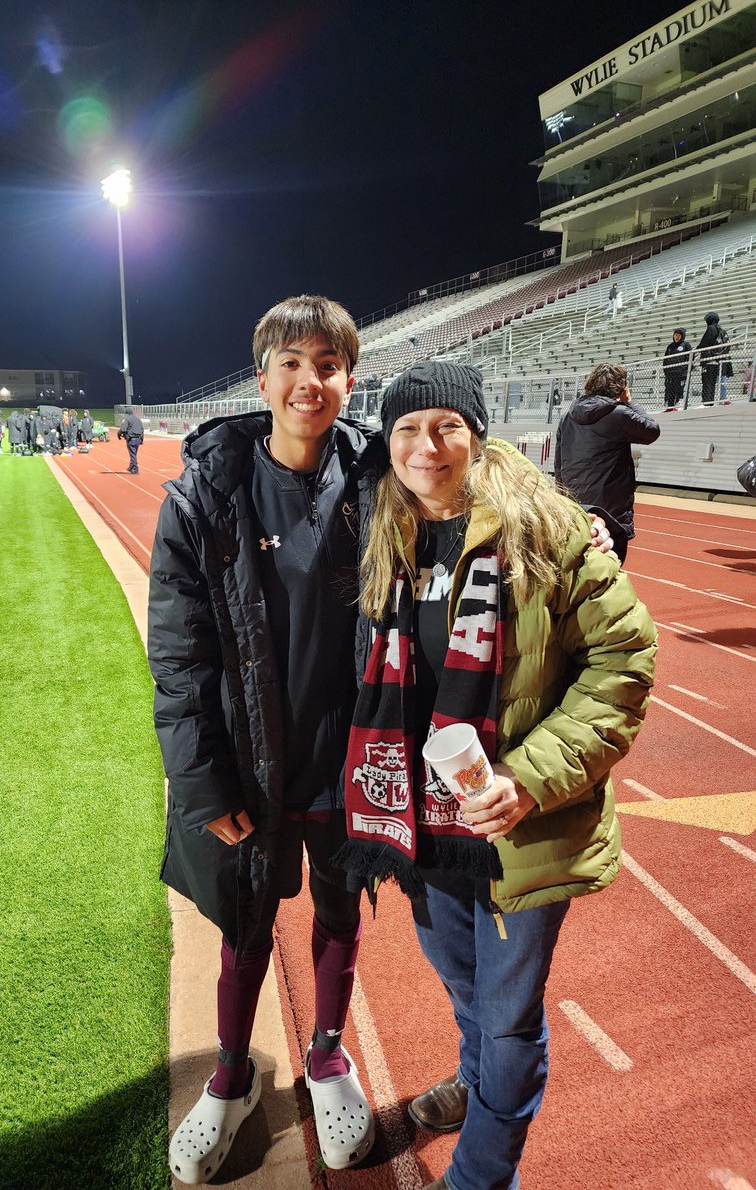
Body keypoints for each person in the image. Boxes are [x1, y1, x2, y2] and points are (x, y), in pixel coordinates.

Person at [335, 361, 657, 1190]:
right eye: (406, 428)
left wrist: (530, 778)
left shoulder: (546, 528)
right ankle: (478, 1088)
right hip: (426, 825)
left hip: (521, 825)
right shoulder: (387, 532)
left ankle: (482, 1173)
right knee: (465, 988)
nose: (426, 445)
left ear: (477, 435)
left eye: (446, 425)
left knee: (508, 1018)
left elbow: (623, 659)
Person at [149, 296, 385, 1184]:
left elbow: (473, 494)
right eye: (291, 362)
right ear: (263, 377)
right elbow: (177, 660)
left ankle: (326, 1054)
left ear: (348, 380)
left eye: (327, 364)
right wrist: (203, 787)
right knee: (246, 926)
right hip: (250, 764)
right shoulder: (205, 495)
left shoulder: (377, 480)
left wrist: (575, 525)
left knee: (337, 910)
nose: (308, 380)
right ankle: (232, 1074)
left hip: (349, 758)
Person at [554, 362, 659, 543]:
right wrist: (630, 402)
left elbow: (559, 460)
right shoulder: (618, 414)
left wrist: (561, 496)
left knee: (580, 557)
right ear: (620, 388)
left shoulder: (567, 416)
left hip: (575, 500)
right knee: (609, 561)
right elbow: (651, 431)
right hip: (610, 506)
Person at [696, 311, 729, 405]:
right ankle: (711, 401)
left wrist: (697, 349)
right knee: (713, 383)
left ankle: (707, 402)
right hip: (718, 361)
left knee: (707, 382)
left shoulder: (711, 328)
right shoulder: (722, 330)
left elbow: (704, 343)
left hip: (709, 360)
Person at [661, 327, 691, 408]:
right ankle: (669, 405)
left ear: (682, 336)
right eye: (675, 335)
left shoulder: (686, 345)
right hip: (670, 374)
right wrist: (666, 370)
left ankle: (679, 401)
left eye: (678, 335)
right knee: (669, 390)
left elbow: (690, 358)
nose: (676, 337)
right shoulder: (670, 346)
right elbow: (665, 359)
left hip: (681, 373)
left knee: (679, 389)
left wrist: (685, 368)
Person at [118, 409, 144, 473]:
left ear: (127, 413)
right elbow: (142, 430)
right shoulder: (138, 419)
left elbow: (123, 429)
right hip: (138, 439)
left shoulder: (127, 419)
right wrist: (141, 440)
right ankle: (131, 467)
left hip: (131, 439)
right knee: (134, 454)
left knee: (132, 454)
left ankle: (135, 468)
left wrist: (118, 434)